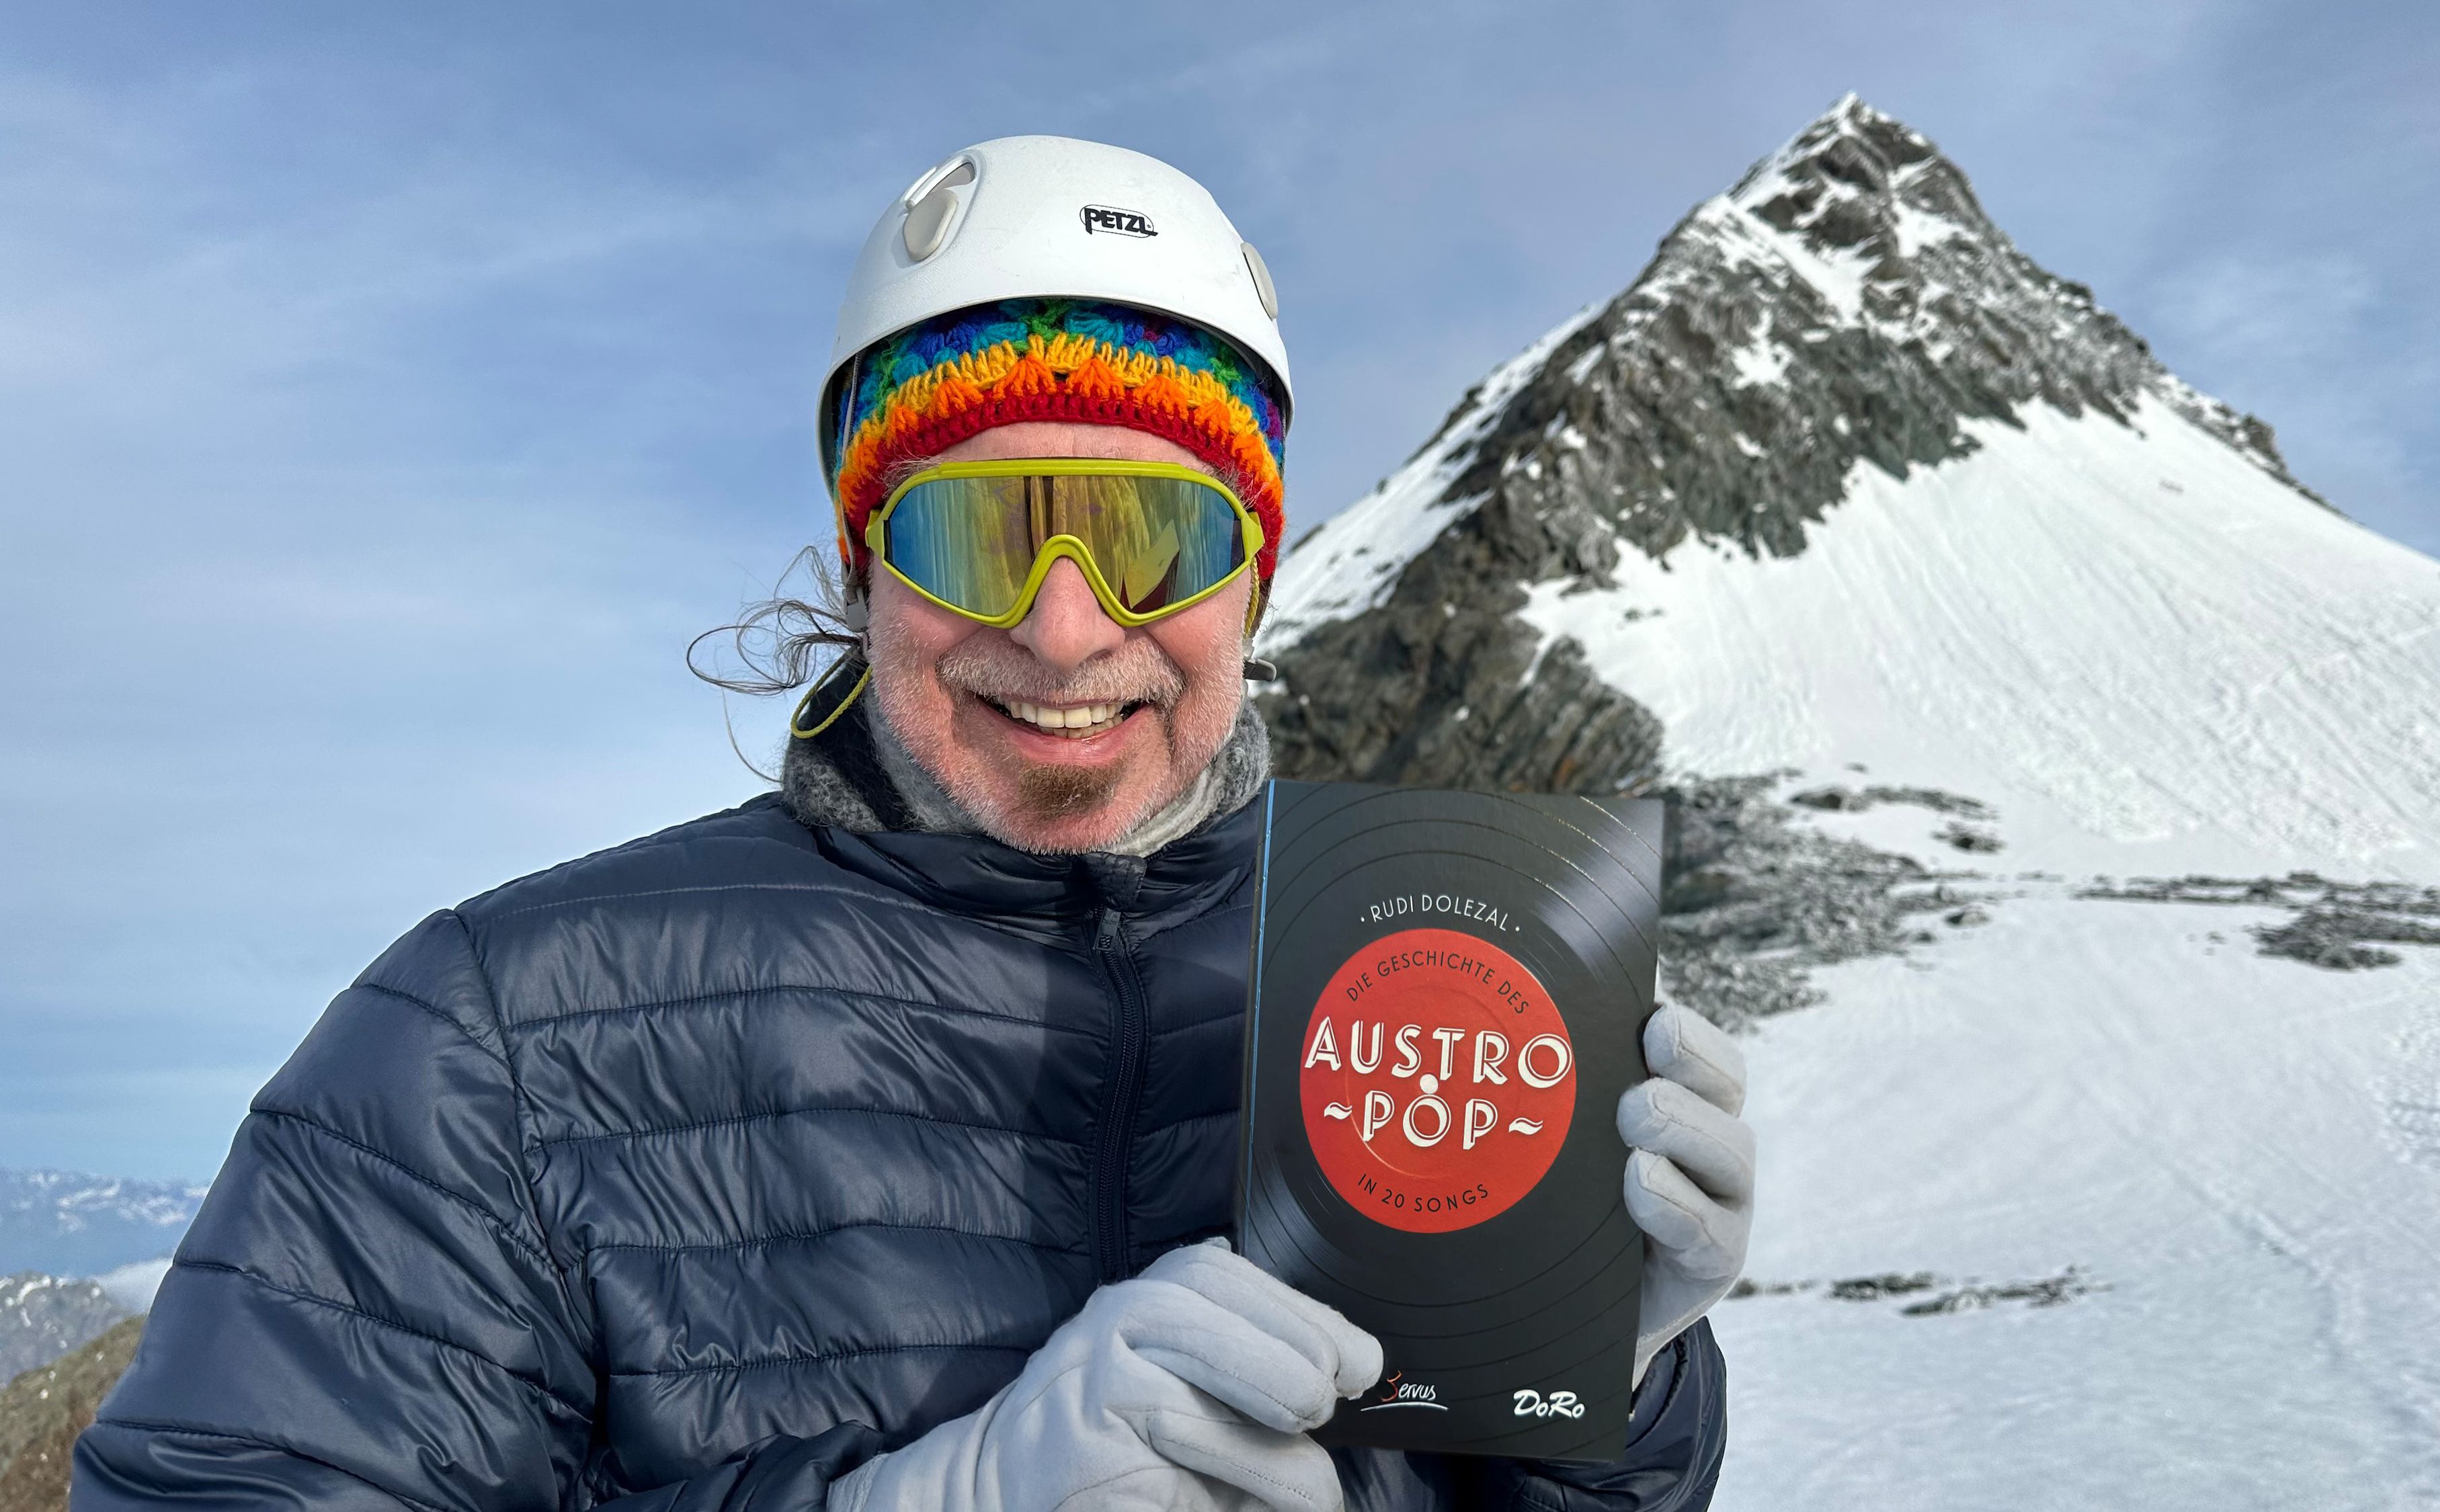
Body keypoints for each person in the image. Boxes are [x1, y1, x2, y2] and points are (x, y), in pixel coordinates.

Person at [73, 138, 1742, 1512]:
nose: (1070, 630)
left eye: (1154, 536)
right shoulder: (494, 1035)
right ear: (867, 566)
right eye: (977, 531)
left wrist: (1605, 1381)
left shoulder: (1426, 980)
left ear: (1256, 575)